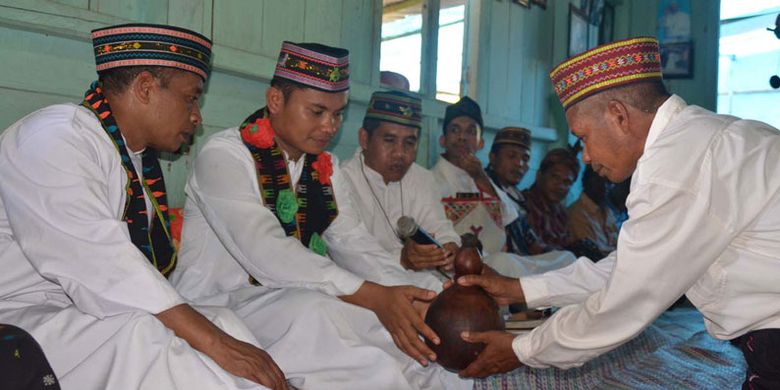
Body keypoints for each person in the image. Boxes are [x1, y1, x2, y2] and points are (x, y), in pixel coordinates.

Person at [452, 37, 780, 390]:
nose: (586, 157)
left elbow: (627, 299)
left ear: (619, 116)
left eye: (585, 137)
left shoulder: (677, 166)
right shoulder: (700, 139)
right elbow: (631, 265)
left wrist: (523, 349)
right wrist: (521, 290)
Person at [170, 42, 470, 390]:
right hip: (216, 305)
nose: (330, 126)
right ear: (276, 101)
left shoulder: (324, 168)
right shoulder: (224, 157)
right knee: (323, 315)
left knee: (398, 332)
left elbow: (355, 245)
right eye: (317, 112)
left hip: (291, 298)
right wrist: (373, 295)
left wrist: (422, 293)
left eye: (338, 114)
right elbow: (268, 253)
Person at [0, 23, 284, 389]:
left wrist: (218, 337)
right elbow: (100, 265)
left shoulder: (128, 158)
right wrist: (214, 343)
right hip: (20, 318)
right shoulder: (54, 136)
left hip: (76, 311)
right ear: (146, 88)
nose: (197, 116)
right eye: (191, 98)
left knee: (221, 322)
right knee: (145, 338)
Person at [341, 90, 460, 281]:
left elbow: (440, 228)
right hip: (369, 286)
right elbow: (350, 257)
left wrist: (449, 247)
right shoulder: (342, 181)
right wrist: (402, 260)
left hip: (426, 280)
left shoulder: (422, 178)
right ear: (364, 139)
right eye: (389, 140)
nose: (400, 153)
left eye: (409, 143)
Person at [431, 97, 518, 252]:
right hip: (453, 266)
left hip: (493, 263)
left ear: (481, 143)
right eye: (455, 130)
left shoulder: (483, 178)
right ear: (443, 140)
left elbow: (508, 217)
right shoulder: (430, 180)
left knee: (564, 257)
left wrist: (480, 177)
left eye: (471, 131)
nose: (462, 137)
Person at [521, 147, 580, 250]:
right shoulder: (522, 205)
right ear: (539, 175)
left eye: (567, 182)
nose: (560, 186)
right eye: (555, 177)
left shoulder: (562, 214)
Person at [567, 165, 618, 257]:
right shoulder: (577, 213)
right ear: (586, 182)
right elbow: (593, 255)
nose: (605, 187)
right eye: (599, 181)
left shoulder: (608, 211)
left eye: (608, 182)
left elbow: (618, 245)